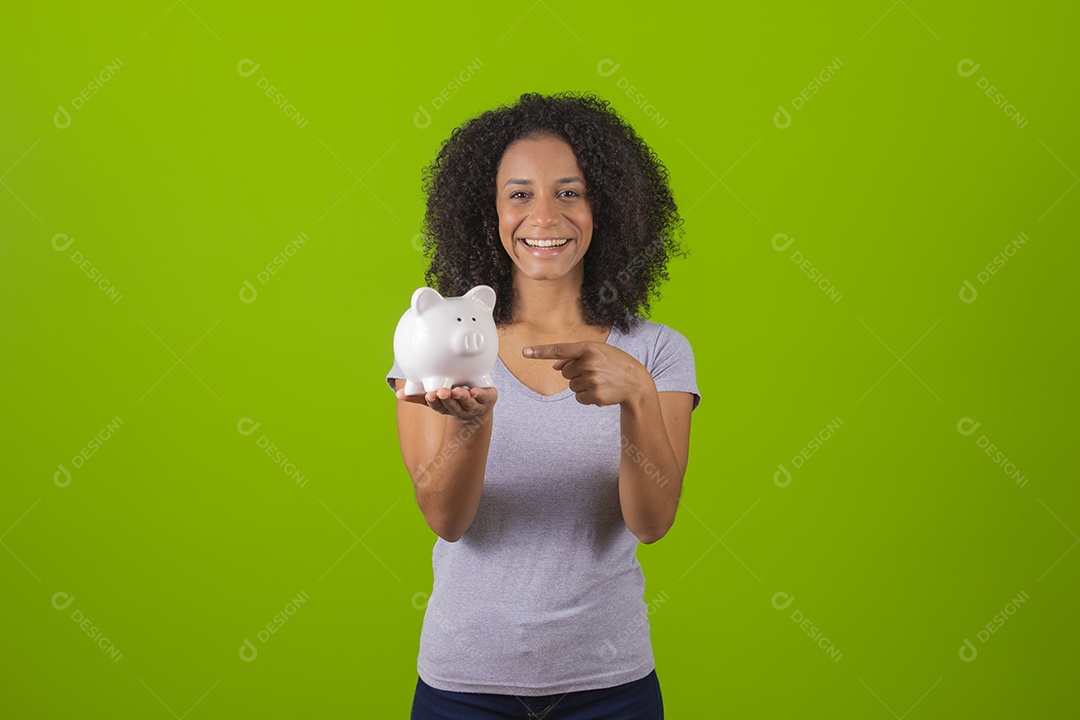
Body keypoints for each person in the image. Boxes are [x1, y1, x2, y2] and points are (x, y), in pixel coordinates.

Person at [386, 91, 700, 720]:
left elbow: (653, 522)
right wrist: (472, 425)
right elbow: (446, 518)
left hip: (611, 684)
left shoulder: (658, 350)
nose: (545, 216)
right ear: (489, 213)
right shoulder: (442, 340)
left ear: (604, 207)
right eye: (520, 193)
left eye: (570, 192)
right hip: (464, 684)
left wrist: (638, 395)